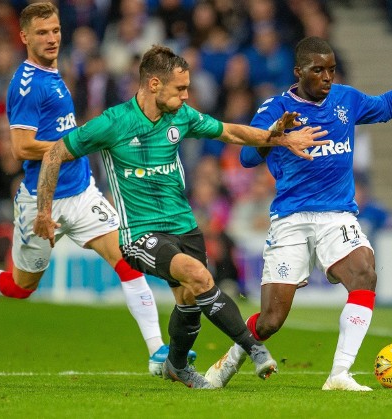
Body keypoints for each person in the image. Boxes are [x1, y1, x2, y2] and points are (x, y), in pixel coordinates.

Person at [32, 45, 328, 389]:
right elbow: (55, 153)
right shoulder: (113, 123)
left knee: (188, 300)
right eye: (180, 89)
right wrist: (44, 210)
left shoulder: (181, 117)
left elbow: (230, 131)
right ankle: (255, 349)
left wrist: (277, 138)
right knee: (199, 276)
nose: (187, 96)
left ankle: (175, 365)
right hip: (140, 233)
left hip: (184, 226)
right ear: (154, 84)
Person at [0, 2, 178, 377]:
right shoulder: (26, 85)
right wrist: (76, 144)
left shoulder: (54, 70)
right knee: (20, 286)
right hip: (40, 200)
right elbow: (21, 147)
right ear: (24, 36)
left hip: (81, 192)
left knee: (128, 261)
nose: (52, 38)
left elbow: (61, 132)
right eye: (42, 32)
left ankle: (158, 352)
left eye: (56, 30)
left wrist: (75, 144)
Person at [203, 36, 392, 391]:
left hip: (337, 216)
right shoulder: (275, 108)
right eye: (318, 70)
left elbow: (386, 106)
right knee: (270, 321)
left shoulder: (345, 99)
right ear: (298, 73)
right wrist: (274, 135)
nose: (327, 76)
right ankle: (233, 357)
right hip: (291, 220)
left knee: (364, 272)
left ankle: (339, 374)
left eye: (331, 69)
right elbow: (247, 159)